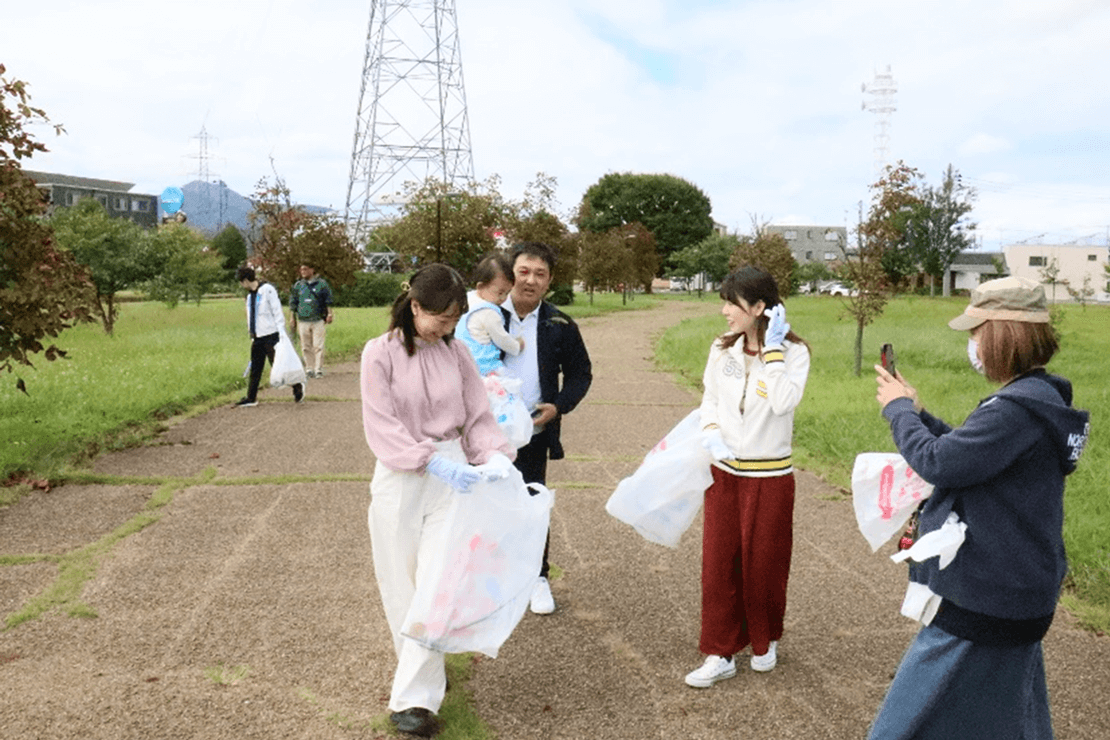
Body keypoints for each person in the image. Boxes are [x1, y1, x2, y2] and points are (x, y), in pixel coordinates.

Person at [868, 276, 1089, 740]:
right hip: (1021, 590)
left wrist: (898, 412)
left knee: (902, 724)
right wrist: (917, 411)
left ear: (1000, 334)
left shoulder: (1015, 409)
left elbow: (939, 462)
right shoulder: (1042, 400)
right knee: (1005, 715)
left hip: (988, 598)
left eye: (976, 332)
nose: (972, 345)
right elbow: (973, 455)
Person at [361, 263, 516, 739]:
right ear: (414, 307)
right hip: (400, 474)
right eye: (441, 320)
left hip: (451, 476)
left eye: (454, 321)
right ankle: (425, 668)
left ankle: (412, 700)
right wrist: (423, 458)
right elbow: (381, 422)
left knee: (437, 584)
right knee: (400, 585)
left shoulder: (457, 353)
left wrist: (493, 458)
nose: (448, 329)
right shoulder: (378, 354)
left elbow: (477, 415)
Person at [685, 265, 810, 688]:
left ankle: (764, 638)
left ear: (759, 307)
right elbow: (710, 400)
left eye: (732, 303)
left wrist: (772, 354)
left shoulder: (795, 353)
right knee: (719, 564)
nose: (724, 311)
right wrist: (711, 435)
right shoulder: (722, 349)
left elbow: (782, 402)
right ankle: (719, 651)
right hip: (724, 473)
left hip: (770, 476)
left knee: (765, 565)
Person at [500, 242, 592, 615]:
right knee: (481, 504)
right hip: (483, 433)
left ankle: (537, 578)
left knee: (532, 502)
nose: (531, 281)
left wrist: (558, 406)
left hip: (533, 432)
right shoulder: (484, 316)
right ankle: (489, 581)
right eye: (524, 271)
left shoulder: (560, 324)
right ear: (510, 273)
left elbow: (580, 374)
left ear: (550, 281)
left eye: (540, 274)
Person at [235, 266, 303, 407]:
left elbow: (277, 311)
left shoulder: (267, 290)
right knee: (256, 368)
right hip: (257, 337)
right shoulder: (249, 297)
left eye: (242, 282)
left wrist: (281, 332)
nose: (241, 285)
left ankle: (297, 386)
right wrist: (252, 334)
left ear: (246, 280)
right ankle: (251, 397)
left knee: (279, 365)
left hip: (271, 335)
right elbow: (250, 317)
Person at [455, 252, 524, 376]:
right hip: (485, 366)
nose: (503, 298)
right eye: (500, 292)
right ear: (480, 286)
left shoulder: (467, 299)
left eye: (507, 293)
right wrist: (517, 346)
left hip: (461, 362)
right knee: (509, 388)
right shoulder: (488, 312)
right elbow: (502, 339)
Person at [289, 262, 334, 378]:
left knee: (318, 345)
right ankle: (309, 368)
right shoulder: (298, 285)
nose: (303, 272)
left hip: (318, 319)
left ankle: (318, 368)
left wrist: (329, 313)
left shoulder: (322, 284)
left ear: (312, 270)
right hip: (303, 320)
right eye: (301, 269)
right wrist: (292, 318)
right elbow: (293, 303)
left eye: (305, 269)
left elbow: (328, 300)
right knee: (305, 345)